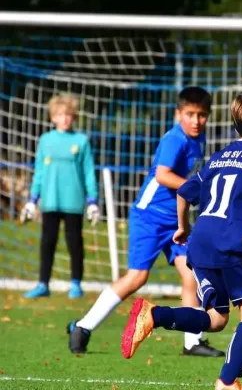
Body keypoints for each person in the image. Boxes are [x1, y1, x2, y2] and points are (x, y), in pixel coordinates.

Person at [120, 90, 242, 390]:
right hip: (232, 243)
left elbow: (185, 191)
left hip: (201, 240)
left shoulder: (220, 156)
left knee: (216, 318)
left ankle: (154, 314)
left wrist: (183, 227)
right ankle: (228, 382)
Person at [67, 86, 224, 357]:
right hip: (149, 218)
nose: (196, 121)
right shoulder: (175, 139)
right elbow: (163, 175)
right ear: (179, 114)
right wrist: (197, 189)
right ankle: (83, 327)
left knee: (192, 275)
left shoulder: (199, 139)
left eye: (202, 115)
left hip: (176, 220)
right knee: (137, 277)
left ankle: (192, 342)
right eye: (190, 114)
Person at [21, 93, 99, 299]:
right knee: (48, 242)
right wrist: (32, 200)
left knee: (74, 242)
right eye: (60, 114)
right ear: (53, 117)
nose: (64, 118)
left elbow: (89, 171)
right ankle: (43, 284)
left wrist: (93, 201)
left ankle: (76, 284)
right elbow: (39, 171)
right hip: (50, 200)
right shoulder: (45, 140)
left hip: (73, 201)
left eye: (68, 115)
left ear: (74, 117)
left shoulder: (81, 141)